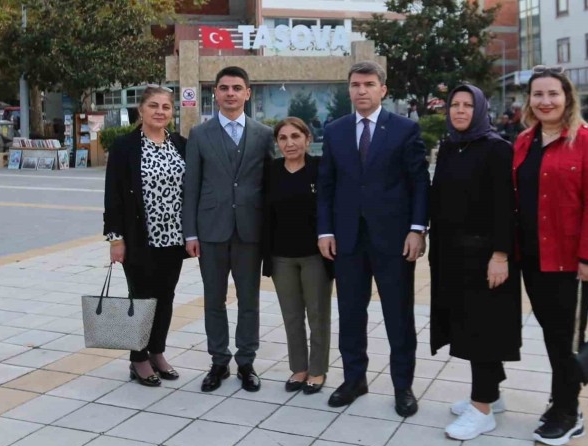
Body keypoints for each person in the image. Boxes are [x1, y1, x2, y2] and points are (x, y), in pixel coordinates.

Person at [317, 60, 430, 417]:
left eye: (368, 84)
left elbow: (419, 183)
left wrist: (417, 229)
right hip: (347, 240)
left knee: (398, 316)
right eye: (355, 85)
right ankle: (354, 380)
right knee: (351, 313)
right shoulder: (335, 130)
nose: (361, 90)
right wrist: (325, 231)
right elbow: (327, 186)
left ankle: (402, 387)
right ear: (349, 89)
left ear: (383, 89)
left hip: (394, 240)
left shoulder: (404, 129)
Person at [514, 65, 588, 446]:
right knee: (553, 334)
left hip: (573, 262)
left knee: (568, 338)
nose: (545, 101)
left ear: (567, 97)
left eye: (553, 94)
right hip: (534, 258)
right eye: (538, 94)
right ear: (529, 100)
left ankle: (569, 414)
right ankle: (561, 399)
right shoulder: (525, 141)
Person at [429, 84, 521, 440]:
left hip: (486, 257)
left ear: (480, 110)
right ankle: (491, 394)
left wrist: (501, 255)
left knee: (484, 330)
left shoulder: (496, 148)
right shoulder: (451, 146)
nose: (460, 110)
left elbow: (505, 206)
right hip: (455, 256)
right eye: (455, 104)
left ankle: (481, 409)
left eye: (468, 105)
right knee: (468, 326)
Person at [182, 66, 274, 393]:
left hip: (251, 231)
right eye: (224, 88)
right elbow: (191, 186)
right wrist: (190, 234)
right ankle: (218, 360)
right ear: (215, 94)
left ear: (248, 93)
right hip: (211, 231)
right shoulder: (199, 134)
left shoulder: (264, 134)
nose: (230, 93)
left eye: (237, 88)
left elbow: (271, 185)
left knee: (249, 300)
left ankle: (246, 361)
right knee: (214, 300)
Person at [103, 85, 188, 387]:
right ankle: (138, 358)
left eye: (166, 107)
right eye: (153, 106)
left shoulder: (181, 144)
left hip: (174, 238)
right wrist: (115, 238)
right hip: (139, 238)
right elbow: (113, 195)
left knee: (166, 297)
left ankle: (157, 352)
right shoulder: (125, 147)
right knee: (141, 298)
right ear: (141, 110)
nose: (160, 112)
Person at [262, 117, 333, 395]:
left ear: (308, 139)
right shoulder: (271, 171)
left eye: (295, 136)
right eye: (283, 138)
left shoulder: (321, 168)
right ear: (277, 143)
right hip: (281, 257)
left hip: (315, 255)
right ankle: (299, 368)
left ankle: (317, 370)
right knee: (291, 315)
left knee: (317, 314)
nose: (289, 143)